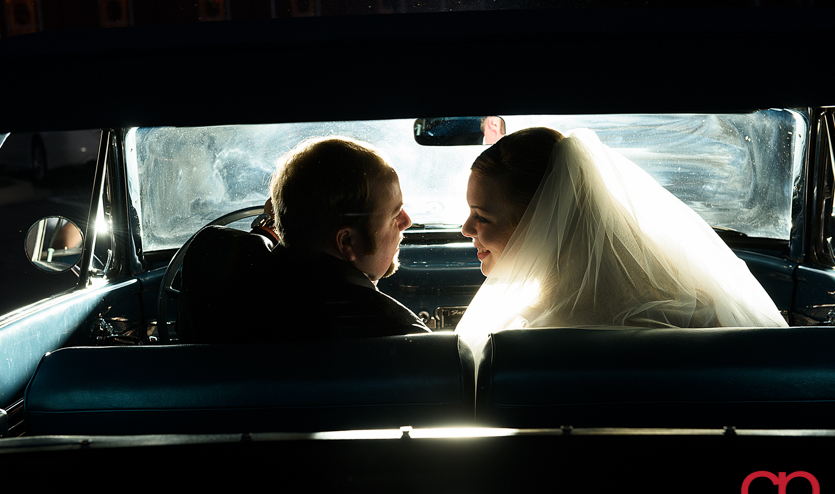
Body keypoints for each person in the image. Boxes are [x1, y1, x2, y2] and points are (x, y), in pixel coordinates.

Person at [455, 127, 788, 360]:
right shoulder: (699, 313)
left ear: (538, 221)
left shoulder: (518, 341)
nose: (465, 228)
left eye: (482, 217)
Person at [178, 136, 430, 344]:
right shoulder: (401, 334)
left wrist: (280, 222)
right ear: (346, 243)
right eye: (395, 214)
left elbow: (247, 256)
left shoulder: (212, 265)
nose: (406, 221)